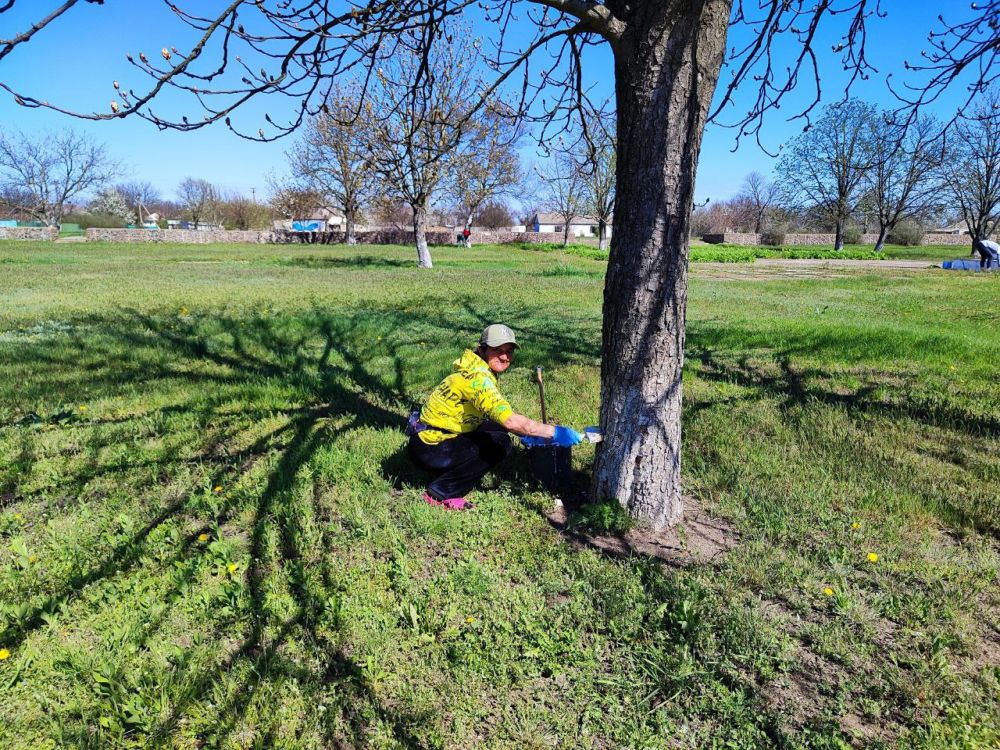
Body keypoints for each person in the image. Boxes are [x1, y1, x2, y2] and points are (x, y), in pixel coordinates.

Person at [407, 324, 583, 510]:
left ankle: (446, 472)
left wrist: (526, 433)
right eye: (497, 350)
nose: (505, 357)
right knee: (500, 444)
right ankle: (441, 492)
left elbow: (501, 420)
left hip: (428, 438)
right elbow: (509, 420)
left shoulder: (473, 365)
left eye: (509, 351)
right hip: (430, 447)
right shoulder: (477, 379)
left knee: (496, 428)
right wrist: (555, 432)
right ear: (483, 348)